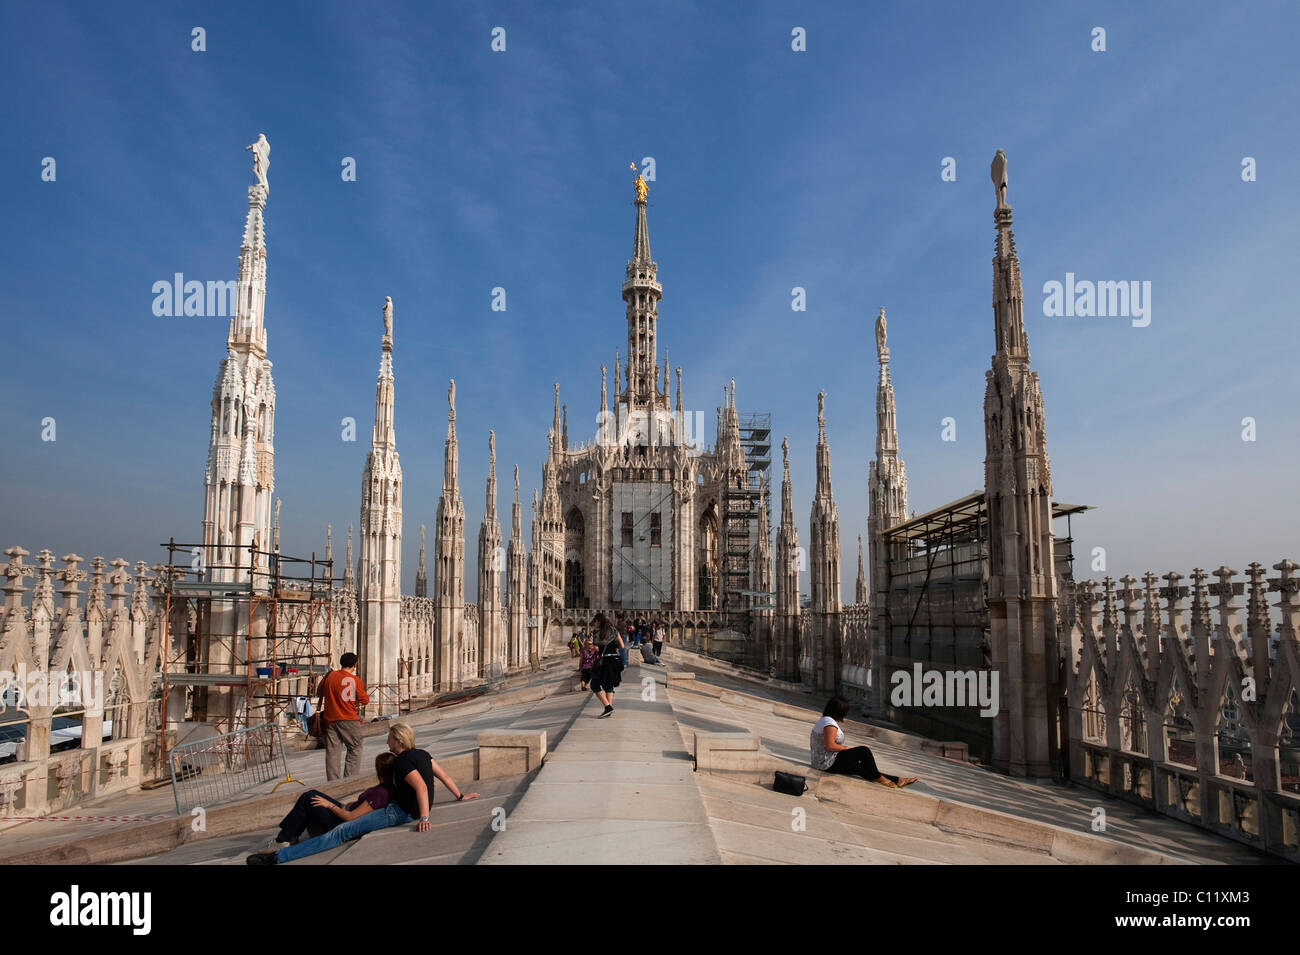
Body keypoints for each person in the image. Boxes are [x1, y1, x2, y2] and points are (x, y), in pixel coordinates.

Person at [246, 722, 478, 865]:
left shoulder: (403, 762)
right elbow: (444, 776)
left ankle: (278, 857)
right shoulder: (423, 753)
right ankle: (284, 843)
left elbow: (421, 787)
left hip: (399, 813)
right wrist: (460, 796)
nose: (386, 740)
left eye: (389, 737)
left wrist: (424, 818)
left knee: (340, 833)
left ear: (397, 740)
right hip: (405, 810)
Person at [265, 752, 395, 849]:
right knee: (311, 794)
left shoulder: (380, 794)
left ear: (380, 771)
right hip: (344, 811)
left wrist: (330, 805)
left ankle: (283, 839)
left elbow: (350, 817)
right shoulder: (383, 789)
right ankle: (289, 835)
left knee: (309, 798)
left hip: (343, 824)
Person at [810, 697, 918, 788]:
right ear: (840, 711)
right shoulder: (829, 723)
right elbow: (830, 746)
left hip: (822, 762)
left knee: (861, 769)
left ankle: (897, 780)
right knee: (863, 751)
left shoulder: (825, 720)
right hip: (827, 763)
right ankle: (879, 778)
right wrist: (846, 748)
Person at [317, 652, 370, 780]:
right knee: (355, 747)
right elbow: (365, 700)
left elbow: (319, 692)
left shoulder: (329, 676)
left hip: (330, 720)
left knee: (332, 752)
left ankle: (333, 782)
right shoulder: (354, 680)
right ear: (355, 665)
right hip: (349, 719)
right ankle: (349, 780)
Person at [589, 613, 624, 718]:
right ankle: (608, 709)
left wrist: (590, 646)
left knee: (594, 685)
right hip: (615, 660)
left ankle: (608, 707)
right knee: (609, 686)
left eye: (595, 621)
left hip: (605, 661)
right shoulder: (614, 630)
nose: (594, 623)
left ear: (599, 621)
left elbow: (596, 649)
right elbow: (622, 645)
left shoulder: (597, 632)